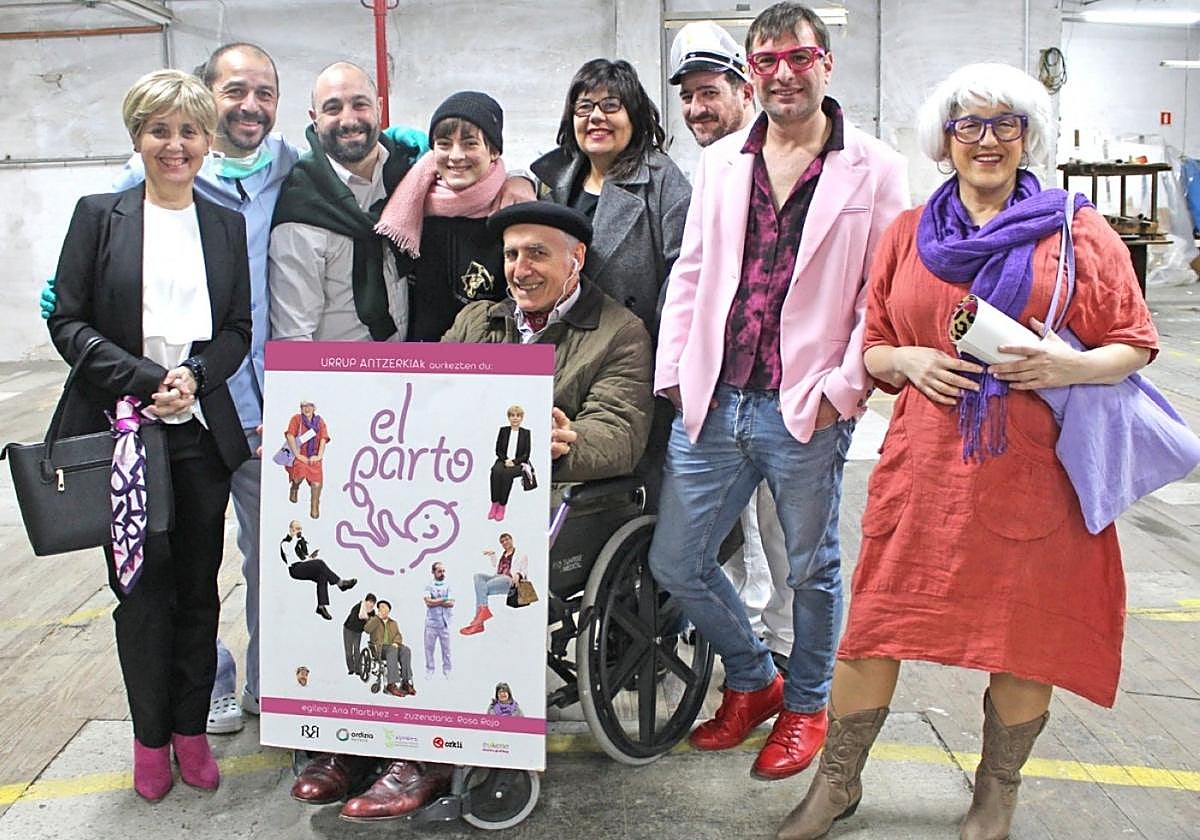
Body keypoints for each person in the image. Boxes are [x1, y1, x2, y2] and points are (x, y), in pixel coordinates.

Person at [775, 63, 1159, 840]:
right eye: (969, 125)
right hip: (925, 471)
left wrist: (1070, 367)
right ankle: (837, 782)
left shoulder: (1075, 231)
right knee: (876, 627)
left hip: (1037, 474)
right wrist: (907, 360)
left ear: (1027, 136)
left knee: (1025, 637)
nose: (987, 140)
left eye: (1005, 124)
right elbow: (875, 345)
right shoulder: (908, 232)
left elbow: (1134, 341)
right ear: (944, 139)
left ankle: (996, 791)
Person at [648, 0, 909, 784]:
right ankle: (754, 677)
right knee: (678, 560)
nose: (784, 74)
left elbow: (883, 291)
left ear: (826, 64)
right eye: (767, 61)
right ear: (752, 73)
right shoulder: (724, 160)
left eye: (799, 58)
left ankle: (806, 705)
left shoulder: (876, 167)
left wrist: (844, 388)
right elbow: (693, 270)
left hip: (805, 404)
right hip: (715, 398)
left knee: (809, 570)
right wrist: (675, 371)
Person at [46, 69, 252, 801]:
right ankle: (148, 738)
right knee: (139, 594)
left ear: (206, 140)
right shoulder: (98, 216)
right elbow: (67, 321)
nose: (175, 145)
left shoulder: (223, 223)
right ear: (137, 136)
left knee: (198, 591)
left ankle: (190, 730)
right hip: (122, 435)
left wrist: (194, 376)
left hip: (197, 435)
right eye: (159, 130)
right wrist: (142, 378)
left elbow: (237, 330)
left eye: (189, 131)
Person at [669, 19, 792, 664]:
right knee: (731, 525)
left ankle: (787, 650)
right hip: (720, 382)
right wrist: (675, 370)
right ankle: (747, 636)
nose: (698, 108)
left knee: (782, 527)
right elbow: (690, 274)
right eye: (688, 96)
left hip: (783, 382)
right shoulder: (711, 166)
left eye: (710, 92)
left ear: (746, 89)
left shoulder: (785, 159)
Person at [443, 201, 653, 487]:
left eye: (537, 253)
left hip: (552, 497)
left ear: (577, 258)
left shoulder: (621, 334)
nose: (520, 271)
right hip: (462, 484)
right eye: (511, 255)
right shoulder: (475, 320)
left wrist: (565, 443)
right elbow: (433, 396)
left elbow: (619, 434)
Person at [531, 59, 691, 337]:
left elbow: (684, 280)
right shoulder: (549, 182)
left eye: (610, 105)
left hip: (631, 348)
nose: (595, 116)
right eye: (584, 106)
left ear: (633, 116)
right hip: (558, 344)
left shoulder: (663, 181)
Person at [269, 62, 417, 344]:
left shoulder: (406, 174)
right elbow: (293, 337)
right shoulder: (301, 208)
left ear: (379, 108)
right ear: (314, 119)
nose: (348, 120)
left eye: (360, 104)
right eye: (333, 108)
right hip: (333, 369)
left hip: (410, 364)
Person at [375, 90, 510, 341]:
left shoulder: (510, 211)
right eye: (444, 144)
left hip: (486, 358)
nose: (456, 156)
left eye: (470, 144)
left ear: (493, 151)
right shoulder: (411, 204)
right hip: (417, 356)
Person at [669, 20, 757, 149]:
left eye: (709, 93)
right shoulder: (712, 158)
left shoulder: (775, 157)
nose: (695, 110)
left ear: (746, 94)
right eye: (687, 97)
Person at [280, 520, 357, 619]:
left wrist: (311, 557)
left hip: (303, 566)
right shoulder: (285, 543)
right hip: (295, 569)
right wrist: (296, 539)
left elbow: (304, 557)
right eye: (297, 529)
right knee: (320, 563)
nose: (299, 531)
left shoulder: (300, 542)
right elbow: (293, 554)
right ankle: (340, 583)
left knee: (322, 576)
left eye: (300, 529)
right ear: (291, 529)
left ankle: (321, 606)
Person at [460, 533, 528, 636]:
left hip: (508, 580)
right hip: (497, 577)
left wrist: (518, 575)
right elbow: (496, 566)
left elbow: (524, 571)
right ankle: (481, 617)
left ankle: (479, 621)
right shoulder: (503, 555)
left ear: (511, 540)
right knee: (478, 577)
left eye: (506, 540)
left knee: (482, 588)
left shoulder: (521, 555)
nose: (505, 542)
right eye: (502, 542)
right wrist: (492, 555)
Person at [285, 399, 330, 518]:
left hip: (314, 456)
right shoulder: (296, 419)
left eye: (310, 406)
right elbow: (290, 436)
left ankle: (314, 506)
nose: (307, 408)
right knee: (298, 477)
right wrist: (297, 454)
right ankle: (294, 488)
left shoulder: (319, 422)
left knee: (317, 483)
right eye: (304, 406)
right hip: (300, 455)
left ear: (314, 408)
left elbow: (323, 438)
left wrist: (319, 456)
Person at [364, 600, 416, 699]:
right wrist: (377, 618)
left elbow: (398, 635)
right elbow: (367, 629)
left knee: (406, 650)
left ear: (388, 610)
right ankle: (391, 684)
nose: (381, 609)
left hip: (393, 647)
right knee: (392, 650)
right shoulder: (374, 620)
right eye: (380, 607)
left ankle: (405, 682)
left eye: (383, 607)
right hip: (379, 648)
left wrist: (396, 643)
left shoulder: (393, 623)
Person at [488, 405, 531, 521]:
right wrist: (505, 460)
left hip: (519, 463)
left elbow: (526, 454)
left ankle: (502, 505)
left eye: (518, 416)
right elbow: (498, 450)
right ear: (509, 417)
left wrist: (514, 462)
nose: (515, 418)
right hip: (504, 460)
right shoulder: (503, 431)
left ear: (521, 418)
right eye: (512, 415)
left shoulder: (526, 433)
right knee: (496, 471)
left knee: (507, 474)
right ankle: (494, 503)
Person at [422, 564, 453, 678]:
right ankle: (430, 669)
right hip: (431, 623)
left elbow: (451, 603)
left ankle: (447, 669)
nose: (442, 573)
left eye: (443, 571)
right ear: (433, 572)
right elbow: (428, 602)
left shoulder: (448, 586)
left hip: (444, 623)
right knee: (429, 648)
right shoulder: (429, 586)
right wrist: (444, 599)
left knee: (446, 649)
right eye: (439, 571)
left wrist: (436, 600)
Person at [343, 593, 377, 675]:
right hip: (349, 629)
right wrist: (366, 619)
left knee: (357, 649)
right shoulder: (357, 607)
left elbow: (372, 623)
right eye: (369, 602)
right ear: (366, 601)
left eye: (373, 603)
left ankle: (358, 669)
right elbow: (355, 619)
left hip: (358, 631)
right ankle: (351, 668)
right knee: (349, 650)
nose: (371, 605)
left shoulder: (372, 613)